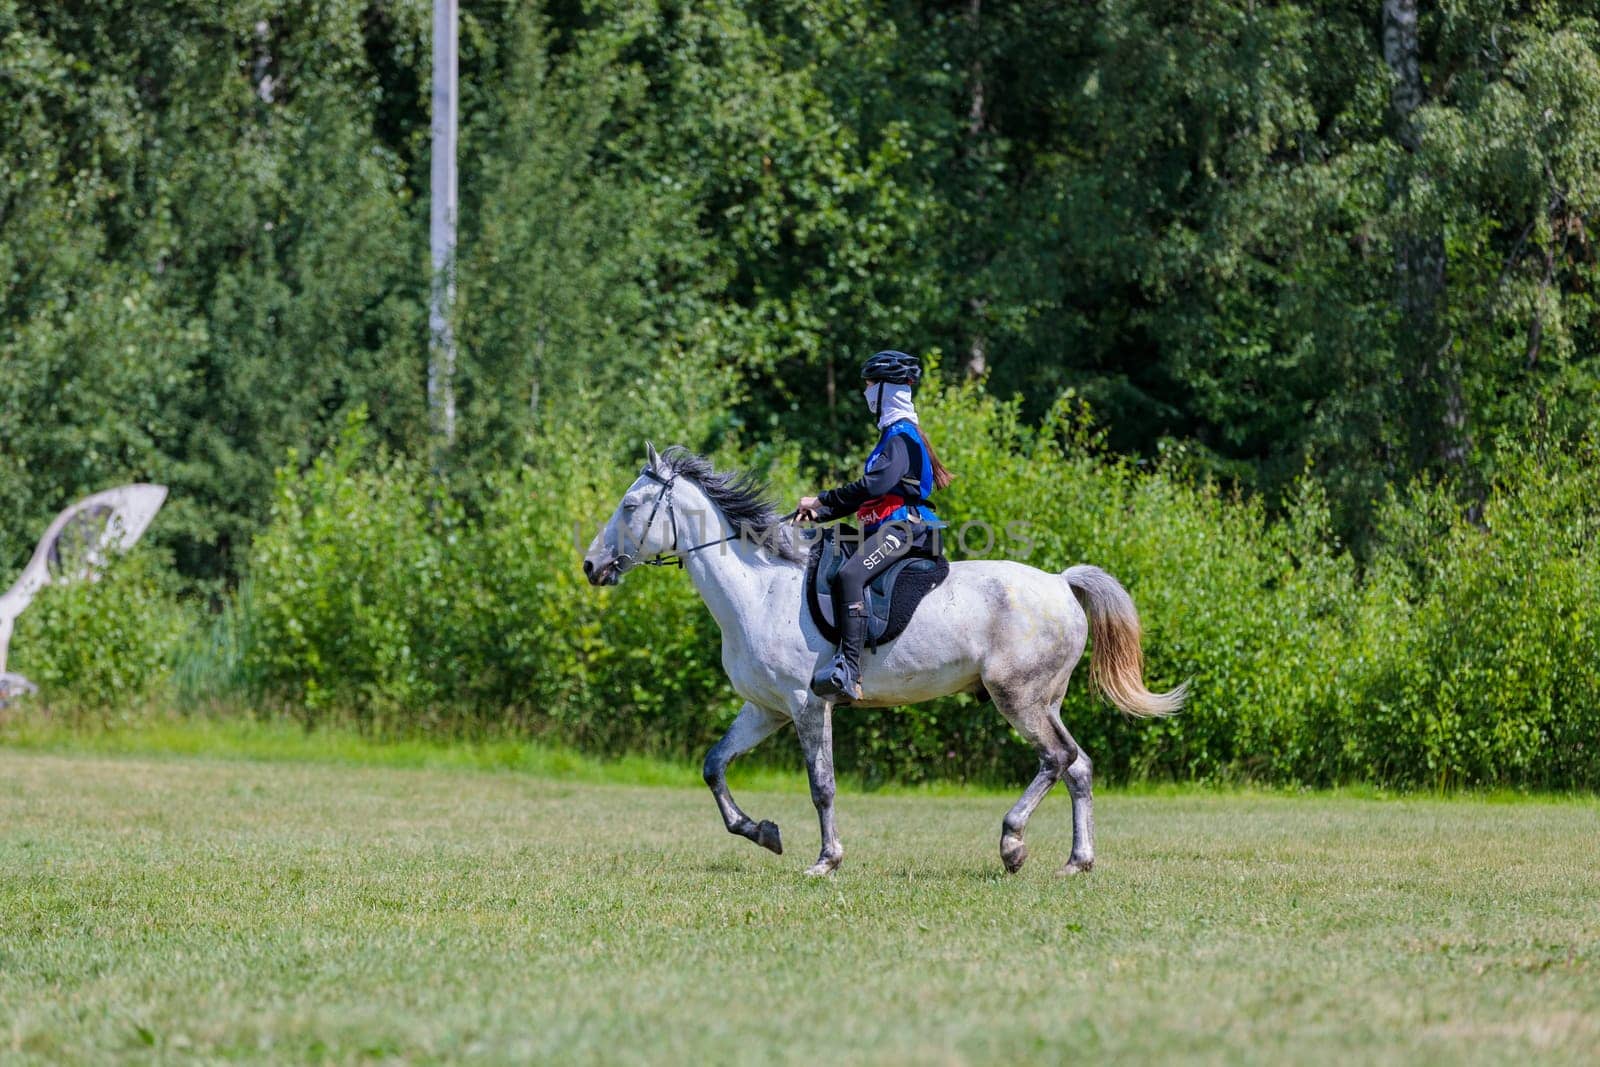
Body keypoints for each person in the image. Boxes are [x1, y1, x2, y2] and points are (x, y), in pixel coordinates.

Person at [796, 350, 953, 702]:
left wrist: (821, 498)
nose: (866, 391)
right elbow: (867, 499)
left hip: (905, 530)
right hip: (883, 526)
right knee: (827, 545)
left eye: (870, 385)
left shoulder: (901, 435)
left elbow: (874, 487)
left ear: (886, 390)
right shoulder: (894, 435)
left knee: (849, 576)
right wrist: (820, 516)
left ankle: (849, 670)